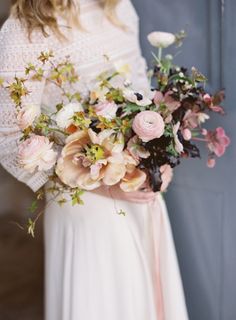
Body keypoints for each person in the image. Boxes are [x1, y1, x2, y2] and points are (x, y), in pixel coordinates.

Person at [0, 0, 189, 319]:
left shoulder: (119, 7)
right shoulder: (26, 27)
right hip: (84, 199)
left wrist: (161, 160)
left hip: (140, 189)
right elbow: (7, 136)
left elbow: (142, 92)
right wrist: (100, 182)